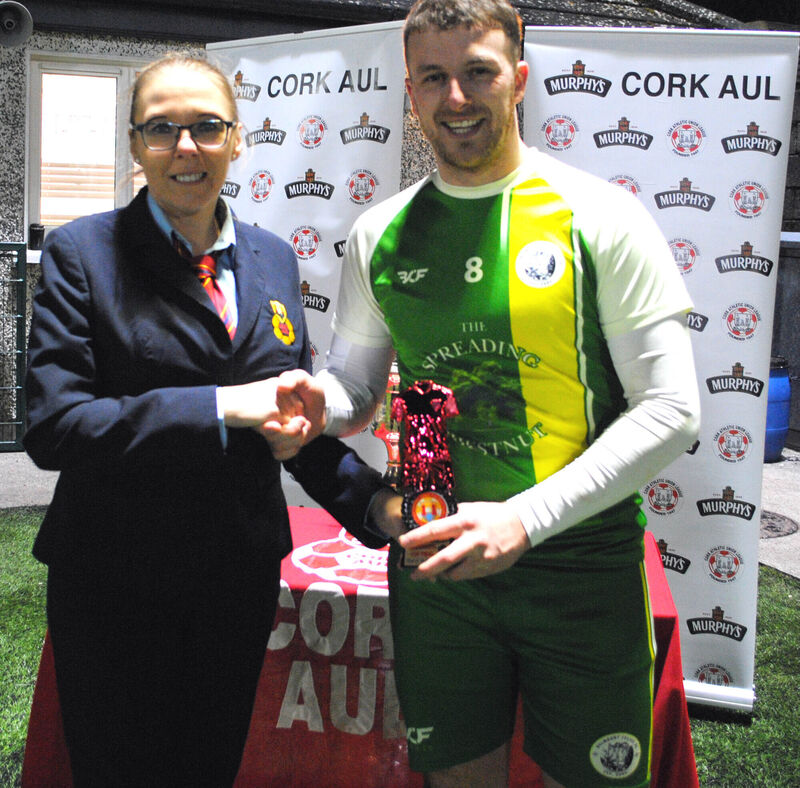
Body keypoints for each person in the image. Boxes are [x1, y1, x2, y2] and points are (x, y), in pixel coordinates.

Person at [268, 1, 701, 786]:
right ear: (410, 93)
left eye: (478, 73)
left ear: (520, 80)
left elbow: (673, 409)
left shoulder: (599, 215)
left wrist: (527, 520)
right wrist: (316, 405)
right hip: (439, 568)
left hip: (580, 566)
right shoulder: (383, 229)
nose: (456, 97)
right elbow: (359, 387)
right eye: (434, 77)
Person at [22, 52, 389, 787]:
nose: (185, 148)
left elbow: (289, 419)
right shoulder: (81, 254)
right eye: (161, 129)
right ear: (135, 144)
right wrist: (221, 406)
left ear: (236, 139)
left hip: (235, 572)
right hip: (112, 581)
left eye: (206, 127)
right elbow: (54, 425)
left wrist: (379, 508)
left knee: (209, 765)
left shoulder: (274, 259)